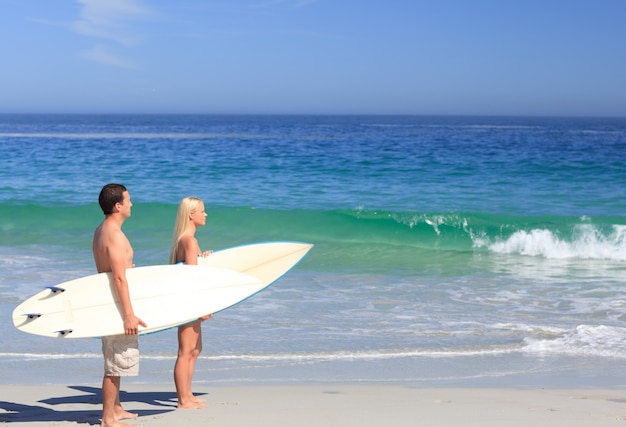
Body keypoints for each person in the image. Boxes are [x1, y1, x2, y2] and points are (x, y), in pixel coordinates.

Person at [92, 183, 147, 427]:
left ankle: (116, 408)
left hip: (110, 301)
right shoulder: (113, 234)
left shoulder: (102, 230)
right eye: (128, 200)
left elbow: (116, 271)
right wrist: (128, 315)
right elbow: (117, 277)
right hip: (115, 306)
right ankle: (107, 419)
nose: (131, 204)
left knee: (116, 359)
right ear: (118, 206)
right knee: (115, 363)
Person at [169, 196, 213, 409]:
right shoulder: (189, 240)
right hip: (188, 303)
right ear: (191, 214)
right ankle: (183, 399)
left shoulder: (187, 241)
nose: (205, 215)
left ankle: (188, 394)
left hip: (187, 301)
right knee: (186, 351)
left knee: (195, 349)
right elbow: (191, 280)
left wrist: (203, 258)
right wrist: (200, 307)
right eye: (202, 211)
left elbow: (190, 269)